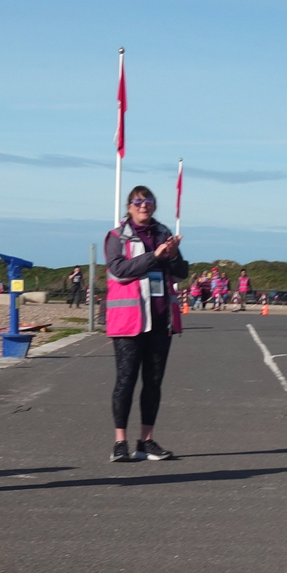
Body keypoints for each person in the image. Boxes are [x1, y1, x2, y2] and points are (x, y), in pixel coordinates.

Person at [104, 185, 188, 462]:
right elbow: (118, 270)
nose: (144, 205)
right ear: (128, 206)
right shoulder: (117, 237)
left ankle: (147, 441)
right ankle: (120, 442)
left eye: (148, 201)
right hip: (129, 322)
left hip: (161, 319)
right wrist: (154, 256)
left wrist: (173, 255)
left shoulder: (164, 233)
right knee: (125, 380)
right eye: (138, 201)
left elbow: (181, 273)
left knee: (153, 382)